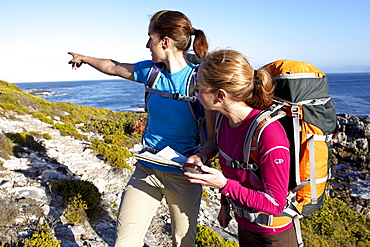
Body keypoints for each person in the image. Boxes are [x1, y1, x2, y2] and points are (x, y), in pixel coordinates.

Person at [68, 10, 214, 247]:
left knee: (183, 242)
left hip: (184, 176)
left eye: (151, 38)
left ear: (165, 42)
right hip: (146, 169)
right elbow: (113, 67)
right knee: (125, 240)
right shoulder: (151, 72)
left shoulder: (198, 81)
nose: (147, 44)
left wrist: (201, 156)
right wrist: (84, 58)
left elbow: (213, 139)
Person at [184, 49, 298, 247]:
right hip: (245, 226)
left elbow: (275, 204)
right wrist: (224, 205)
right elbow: (235, 169)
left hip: (273, 235)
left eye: (199, 88)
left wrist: (224, 186)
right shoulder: (224, 121)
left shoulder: (269, 134)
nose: (195, 92)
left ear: (220, 95)